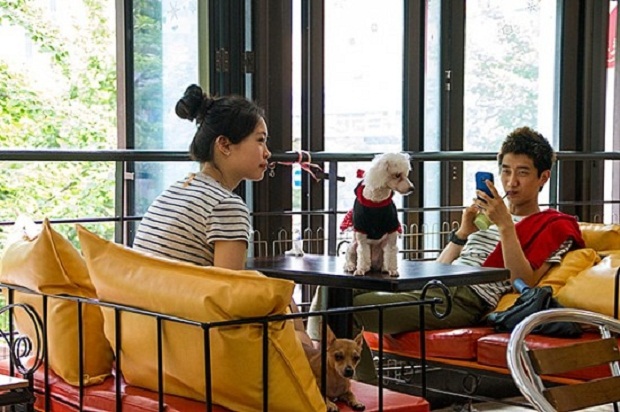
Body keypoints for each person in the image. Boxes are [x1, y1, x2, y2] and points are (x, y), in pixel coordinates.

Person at [340, 126, 585, 383]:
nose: (511, 182)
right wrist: (463, 233)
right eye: (506, 171)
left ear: (543, 177)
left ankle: (360, 394)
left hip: (465, 300)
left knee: (345, 310)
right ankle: (347, 392)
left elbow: (524, 282)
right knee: (335, 290)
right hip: (435, 285)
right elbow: (441, 266)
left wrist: (506, 226)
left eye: (522, 173)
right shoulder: (487, 217)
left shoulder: (554, 225)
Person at [133, 84, 270, 269]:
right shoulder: (226, 206)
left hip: (140, 288)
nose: (267, 153)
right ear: (224, 145)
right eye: (260, 140)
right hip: (177, 290)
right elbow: (227, 284)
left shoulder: (176, 190)